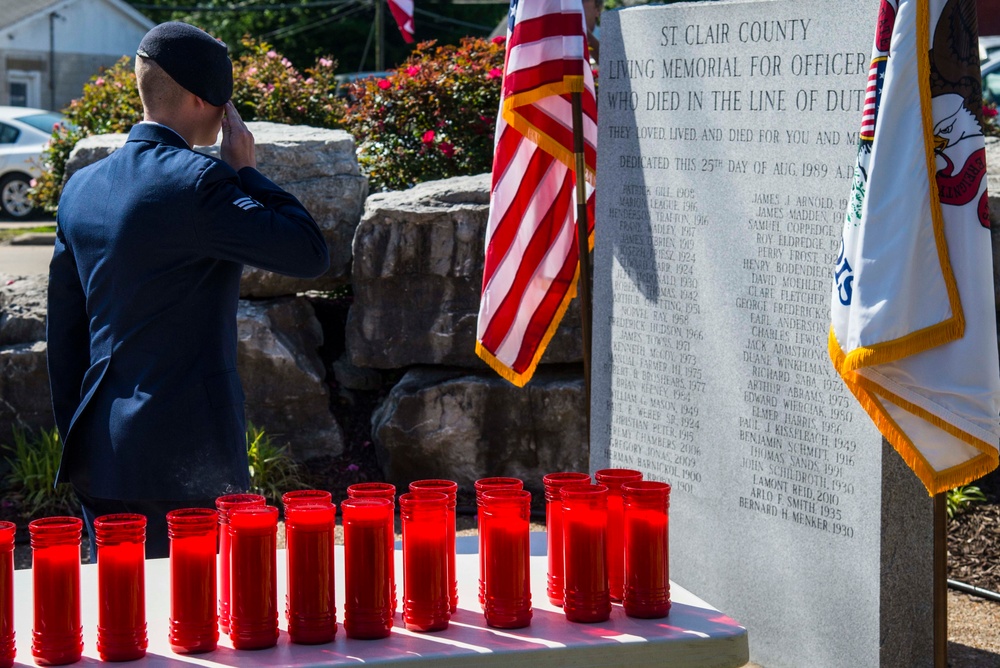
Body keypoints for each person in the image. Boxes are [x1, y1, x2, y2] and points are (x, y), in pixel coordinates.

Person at [46, 22, 330, 558]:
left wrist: (80, 437)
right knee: (194, 629)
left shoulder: (80, 188)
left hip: (101, 451)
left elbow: (63, 336)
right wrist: (246, 173)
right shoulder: (199, 183)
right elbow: (308, 252)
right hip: (185, 458)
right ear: (205, 99)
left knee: (123, 627)